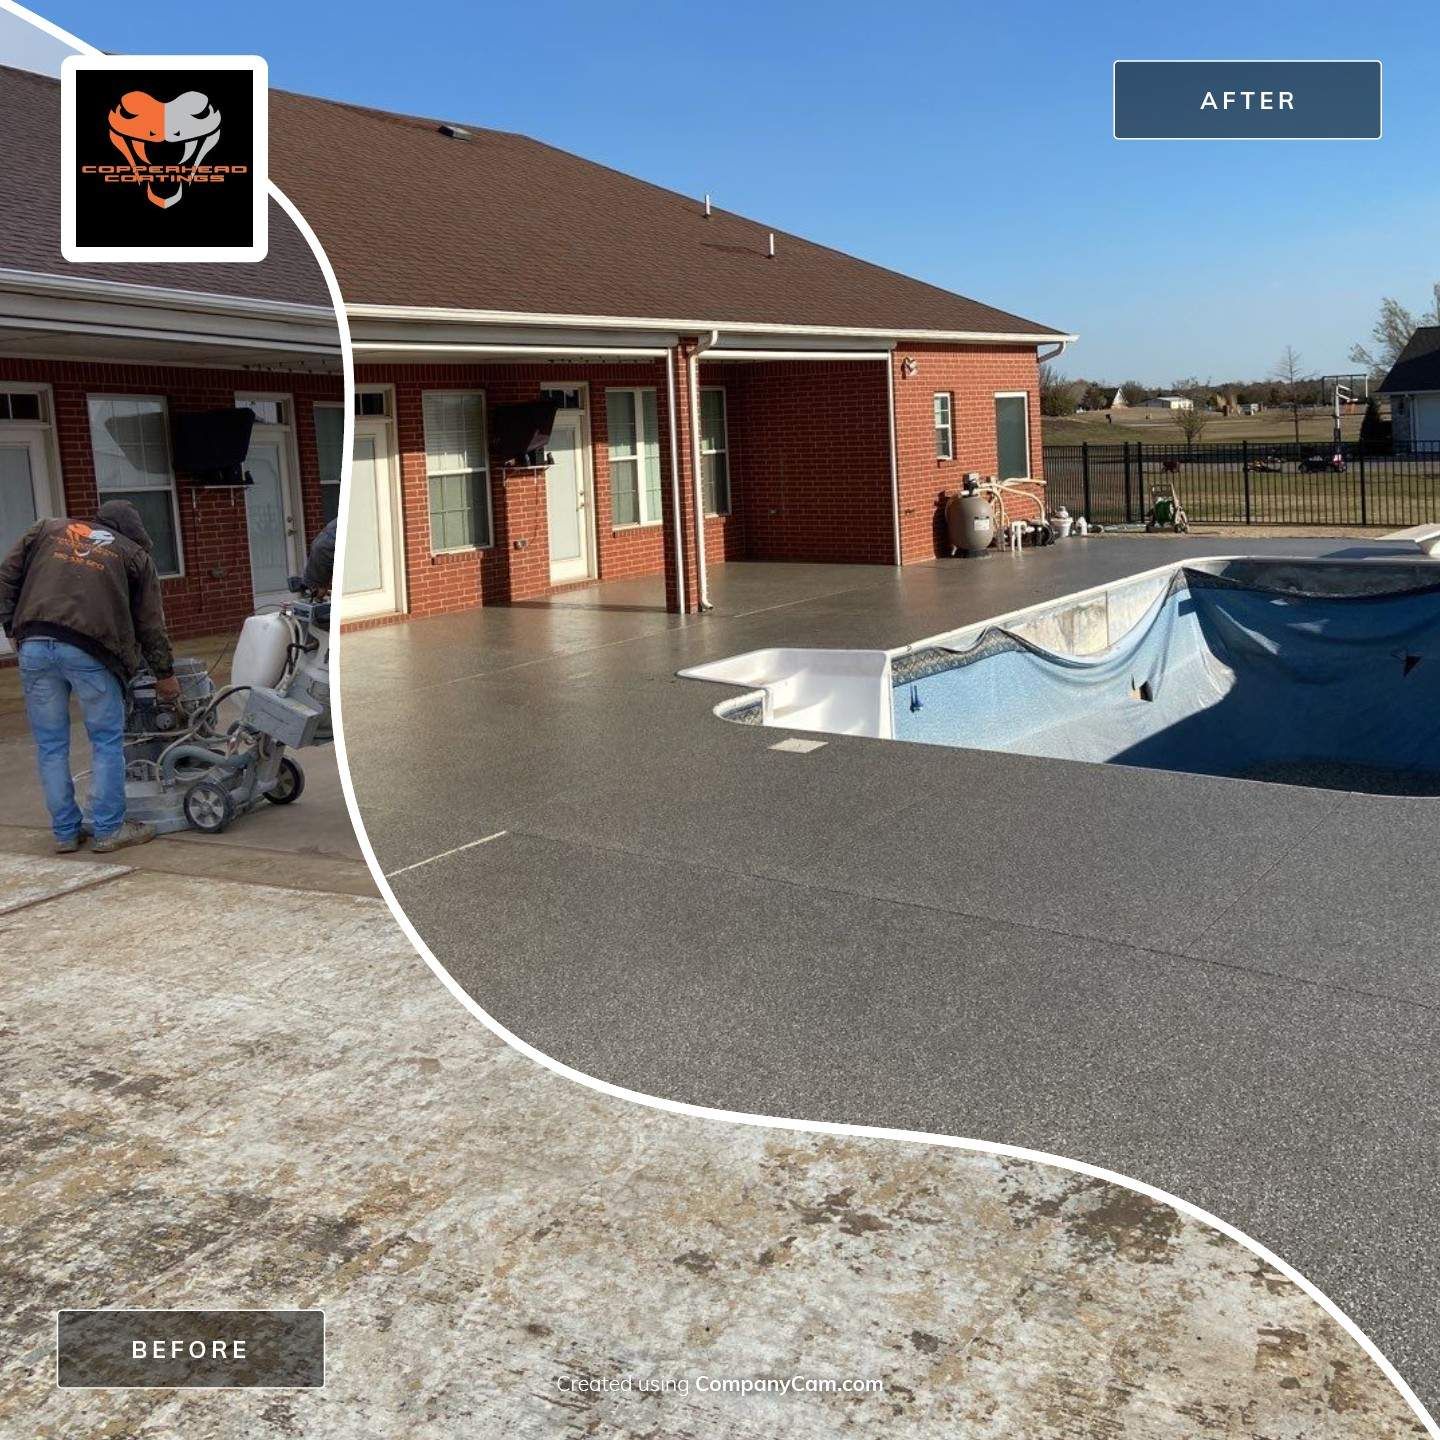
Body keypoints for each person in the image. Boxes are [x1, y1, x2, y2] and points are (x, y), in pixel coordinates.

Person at [0, 499, 176, 854]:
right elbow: (150, 624)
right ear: (134, 530)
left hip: (34, 643)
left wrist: (13, 628)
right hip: (91, 650)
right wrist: (164, 674)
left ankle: (65, 833)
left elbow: (6, 577)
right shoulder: (134, 556)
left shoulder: (46, 529)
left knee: (51, 745)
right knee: (106, 740)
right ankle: (109, 829)